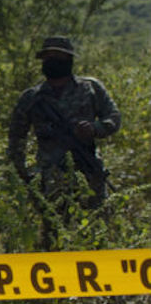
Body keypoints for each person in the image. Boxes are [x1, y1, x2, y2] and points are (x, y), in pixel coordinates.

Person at [8, 36, 121, 247]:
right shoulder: (32, 97)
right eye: (48, 57)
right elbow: (16, 138)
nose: (52, 61)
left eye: (58, 57)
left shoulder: (91, 88)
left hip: (89, 172)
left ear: (69, 60)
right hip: (50, 180)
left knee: (96, 234)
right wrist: (24, 174)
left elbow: (114, 118)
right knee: (54, 237)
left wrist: (94, 129)